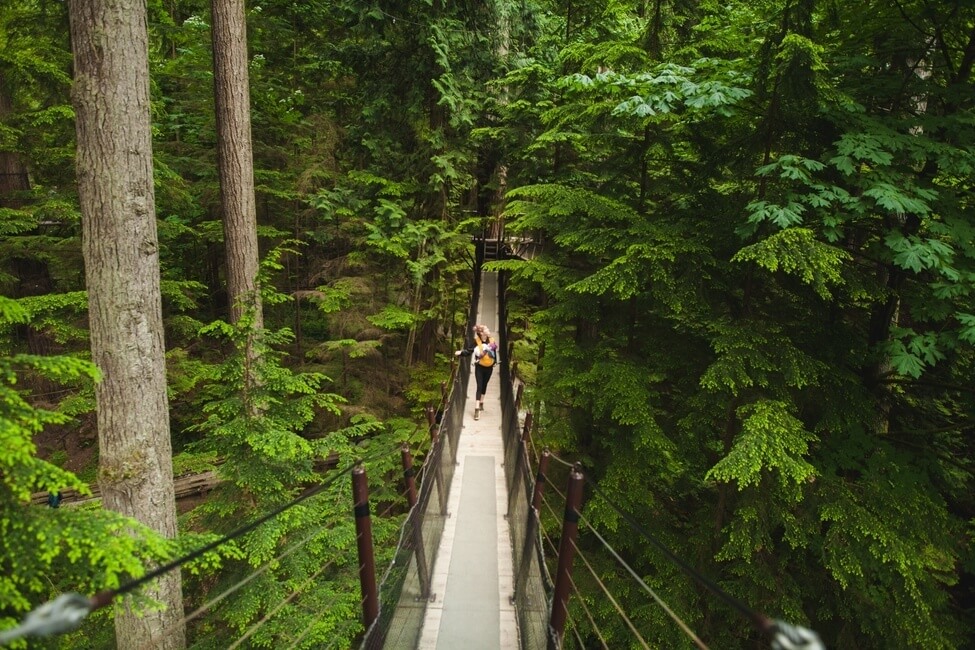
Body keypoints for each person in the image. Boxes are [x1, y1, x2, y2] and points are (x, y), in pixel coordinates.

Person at [454, 324, 498, 420]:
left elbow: (494, 353)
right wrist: (461, 352)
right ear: (481, 332)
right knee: (479, 385)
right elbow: (469, 351)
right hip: (479, 367)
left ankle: (481, 401)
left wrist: (495, 362)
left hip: (489, 367)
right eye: (486, 329)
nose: (488, 330)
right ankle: (477, 408)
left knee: (485, 384)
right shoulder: (476, 341)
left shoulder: (492, 340)